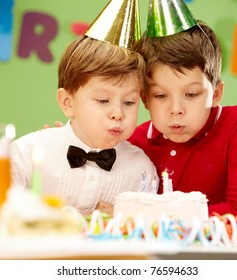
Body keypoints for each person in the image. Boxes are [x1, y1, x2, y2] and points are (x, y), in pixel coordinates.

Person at [9, 0, 158, 216]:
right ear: (67, 103)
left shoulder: (142, 170)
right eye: (103, 100)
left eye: (129, 102)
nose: (118, 113)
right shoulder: (25, 155)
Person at [128, 0, 237, 216]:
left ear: (216, 94)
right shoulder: (134, 141)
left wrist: (153, 216)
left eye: (191, 94)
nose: (176, 109)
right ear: (145, 99)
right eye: (161, 95)